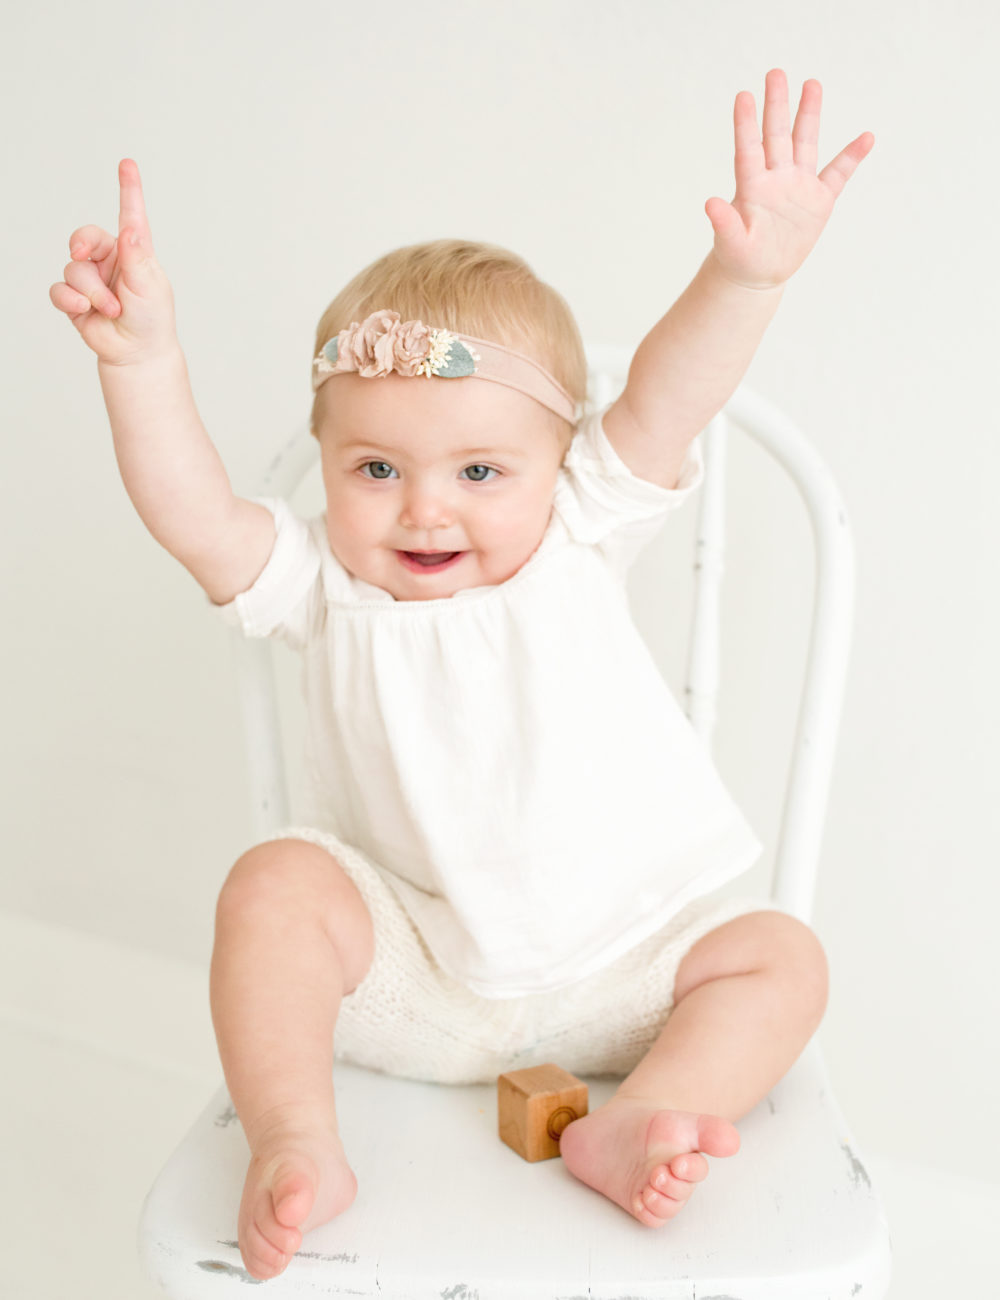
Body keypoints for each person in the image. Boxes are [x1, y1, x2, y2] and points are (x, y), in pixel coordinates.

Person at [51, 69, 872, 1282]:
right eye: (375, 468)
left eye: (479, 471)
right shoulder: (322, 582)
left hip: (621, 971)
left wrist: (745, 277)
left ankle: (649, 1109)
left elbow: (669, 393)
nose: (425, 507)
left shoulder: (581, 528)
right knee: (272, 887)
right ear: (327, 459)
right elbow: (193, 513)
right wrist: (142, 363)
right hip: (420, 981)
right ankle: (296, 1135)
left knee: (781, 958)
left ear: (557, 460)